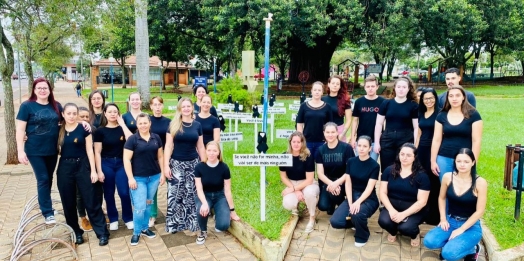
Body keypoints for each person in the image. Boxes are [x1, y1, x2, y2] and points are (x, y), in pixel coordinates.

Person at [56, 103, 109, 246]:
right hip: (65, 168)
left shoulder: (84, 129)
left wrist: (93, 171)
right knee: (68, 202)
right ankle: (76, 232)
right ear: (63, 114)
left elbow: (90, 151)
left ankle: (102, 232)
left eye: (75, 113)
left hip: (83, 166)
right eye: (69, 113)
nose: (72, 116)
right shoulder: (58, 129)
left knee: (91, 200)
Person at [423, 148, 487, 261]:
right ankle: (454, 243)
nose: (462, 165)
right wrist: (443, 219)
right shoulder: (448, 177)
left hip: (470, 226)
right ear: (455, 162)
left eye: (466, 162)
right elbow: (441, 198)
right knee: (429, 242)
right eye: (459, 161)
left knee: (448, 254)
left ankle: (473, 249)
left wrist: (461, 229)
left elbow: (480, 211)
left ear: (473, 162)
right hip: (450, 221)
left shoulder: (480, 182)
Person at [16, 78, 63, 224]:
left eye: (45, 88)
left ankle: (46, 204)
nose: (42, 90)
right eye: (39, 88)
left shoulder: (56, 106)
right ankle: (47, 212)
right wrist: (20, 151)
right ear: (34, 90)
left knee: (49, 178)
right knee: (42, 179)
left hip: (52, 149)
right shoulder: (27, 106)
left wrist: (83, 125)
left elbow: (67, 121)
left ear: (50, 90)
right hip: (34, 150)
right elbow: (20, 129)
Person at [164, 98, 207, 233]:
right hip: (176, 164)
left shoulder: (197, 125)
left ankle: (191, 223)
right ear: (180, 109)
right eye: (184, 107)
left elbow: (200, 147)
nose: (186, 109)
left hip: (193, 164)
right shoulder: (173, 125)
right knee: (175, 194)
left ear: (192, 108)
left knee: (190, 194)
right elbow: (168, 146)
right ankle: (174, 224)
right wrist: (166, 166)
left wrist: (204, 165)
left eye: (189, 106)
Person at [330, 135, 379, 247]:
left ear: (369, 148)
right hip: (352, 195)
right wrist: (351, 202)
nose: (361, 148)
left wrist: (358, 203)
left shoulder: (374, 165)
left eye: (365, 146)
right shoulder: (351, 161)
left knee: (357, 213)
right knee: (335, 222)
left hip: (368, 198)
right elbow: (348, 182)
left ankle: (363, 234)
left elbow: (370, 188)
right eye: (359, 145)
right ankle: (356, 222)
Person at [123, 113, 164, 246]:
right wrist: (130, 178)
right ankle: (136, 232)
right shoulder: (132, 140)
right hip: (138, 179)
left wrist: (163, 173)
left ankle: (145, 228)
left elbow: (161, 157)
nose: (143, 125)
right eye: (140, 123)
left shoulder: (156, 138)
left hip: (154, 177)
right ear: (137, 124)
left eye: (145, 123)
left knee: (148, 204)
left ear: (149, 123)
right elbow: (126, 159)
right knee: (139, 207)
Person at [378, 143, 430, 247]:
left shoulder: (422, 176)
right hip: (392, 205)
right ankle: (393, 231)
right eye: (402, 154)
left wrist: (403, 214)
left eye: (408, 155)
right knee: (383, 221)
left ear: (414, 157)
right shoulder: (389, 170)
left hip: (413, 209)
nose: (404, 158)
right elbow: (382, 193)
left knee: (406, 228)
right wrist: (391, 210)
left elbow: (422, 201)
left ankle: (414, 234)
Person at [94, 103, 134, 231]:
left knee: (124, 192)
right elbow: (97, 152)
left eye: (115, 112)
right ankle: (113, 219)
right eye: (109, 112)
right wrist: (99, 170)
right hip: (106, 164)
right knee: (109, 193)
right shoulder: (100, 131)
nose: (112, 114)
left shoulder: (122, 128)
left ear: (118, 114)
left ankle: (128, 218)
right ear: (105, 113)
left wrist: (122, 124)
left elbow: (131, 139)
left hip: (121, 164)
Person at [431, 85, 483, 180]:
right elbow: (436, 140)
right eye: (451, 96)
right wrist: (433, 161)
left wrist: (473, 161)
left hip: (465, 159)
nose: (454, 98)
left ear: (463, 97)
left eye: (457, 95)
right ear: (447, 98)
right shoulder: (441, 115)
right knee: (445, 188)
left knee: (462, 187)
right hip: (444, 158)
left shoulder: (474, 115)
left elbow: (477, 140)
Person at [195, 141, 240, 244]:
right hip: (205, 195)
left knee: (222, 226)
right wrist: (204, 203)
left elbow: (227, 190)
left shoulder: (224, 168)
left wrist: (232, 211)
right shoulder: (199, 167)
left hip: (220, 195)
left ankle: (218, 216)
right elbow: (199, 189)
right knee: (201, 210)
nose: (211, 153)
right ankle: (203, 231)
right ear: (205, 151)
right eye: (209, 150)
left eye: (214, 151)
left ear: (218, 152)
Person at [374, 76, 419, 172]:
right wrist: (377, 142)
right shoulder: (386, 103)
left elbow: (416, 128)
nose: (401, 89)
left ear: (409, 89)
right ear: (394, 88)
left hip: (406, 139)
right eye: (398, 87)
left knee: (403, 168)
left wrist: (415, 145)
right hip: (387, 139)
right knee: (387, 169)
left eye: (404, 87)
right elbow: (379, 123)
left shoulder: (413, 105)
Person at [279, 132, 320, 233]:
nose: (296, 144)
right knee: (288, 203)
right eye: (294, 142)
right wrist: (295, 189)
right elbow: (283, 177)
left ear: (302, 143)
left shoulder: (308, 155)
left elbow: (309, 179)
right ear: (290, 142)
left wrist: (294, 189)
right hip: (292, 182)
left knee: (309, 193)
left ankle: (312, 217)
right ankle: (296, 206)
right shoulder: (284, 156)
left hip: (307, 183)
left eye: (299, 142)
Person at [316, 122, 355, 215]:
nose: (330, 135)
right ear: (324, 133)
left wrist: (337, 183)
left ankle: (343, 204)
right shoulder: (320, 150)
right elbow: (320, 173)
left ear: (337, 132)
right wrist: (331, 184)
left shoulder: (346, 148)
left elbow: (351, 170)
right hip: (328, 181)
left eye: (333, 132)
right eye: (327, 132)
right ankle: (332, 203)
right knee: (323, 206)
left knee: (335, 194)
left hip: (345, 180)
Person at [416, 88, 440, 225]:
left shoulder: (440, 114)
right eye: (426, 99)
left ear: (435, 99)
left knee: (434, 182)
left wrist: (434, 156)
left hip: (434, 150)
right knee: (422, 181)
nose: (429, 101)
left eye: (431, 98)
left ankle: (434, 216)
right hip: (422, 151)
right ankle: (422, 212)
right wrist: (416, 150)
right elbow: (419, 134)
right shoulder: (421, 113)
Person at [148, 96, 171, 227]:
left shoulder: (169, 122)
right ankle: (152, 215)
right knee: (152, 190)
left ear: (162, 106)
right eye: (155, 104)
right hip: (152, 159)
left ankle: (172, 212)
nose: (157, 107)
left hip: (167, 158)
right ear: (151, 106)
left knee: (172, 187)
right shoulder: (147, 121)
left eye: (159, 104)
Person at [350, 75, 385, 161]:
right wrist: (353, 138)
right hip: (361, 139)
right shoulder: (359, 102)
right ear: (364, 87)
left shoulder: (383, 102)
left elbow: (386, 121)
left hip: (376, 140)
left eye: (373, 86)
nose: (370, 88)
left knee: (372, 164)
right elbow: (354, 120)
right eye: (368, 86)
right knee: (360, 163)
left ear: (377, 87)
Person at [296, 81, 333, 157]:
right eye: (315, 90)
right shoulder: (303, 106)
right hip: (307, 141)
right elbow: (299, 123)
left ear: (322, 92)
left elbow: (330, 126)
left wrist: (328, 140)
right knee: (307, 165)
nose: (317, 92)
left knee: (321, 165)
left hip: (322, 142)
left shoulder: (327, 107)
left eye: (319, 90)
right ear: (311, 91)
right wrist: (301, 139)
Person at [75, 106, 94, 231]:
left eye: (87, 117)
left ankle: (95, 215)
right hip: (77, 165)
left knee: (94, 192)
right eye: (82, 117)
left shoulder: (92, 130)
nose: (85, 119)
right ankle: (82, 217)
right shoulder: (70, 130)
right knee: (79, 194)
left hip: (91, 164)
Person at [322, 75, 352, 142]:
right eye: (333, 83)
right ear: (329, 84)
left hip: (339, 130)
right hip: (325, 131)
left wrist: (342, 134)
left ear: (340, 86)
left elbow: (349, 120)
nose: (335, 85)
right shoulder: (322, 100)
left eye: (337, 84)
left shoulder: (345, 100)